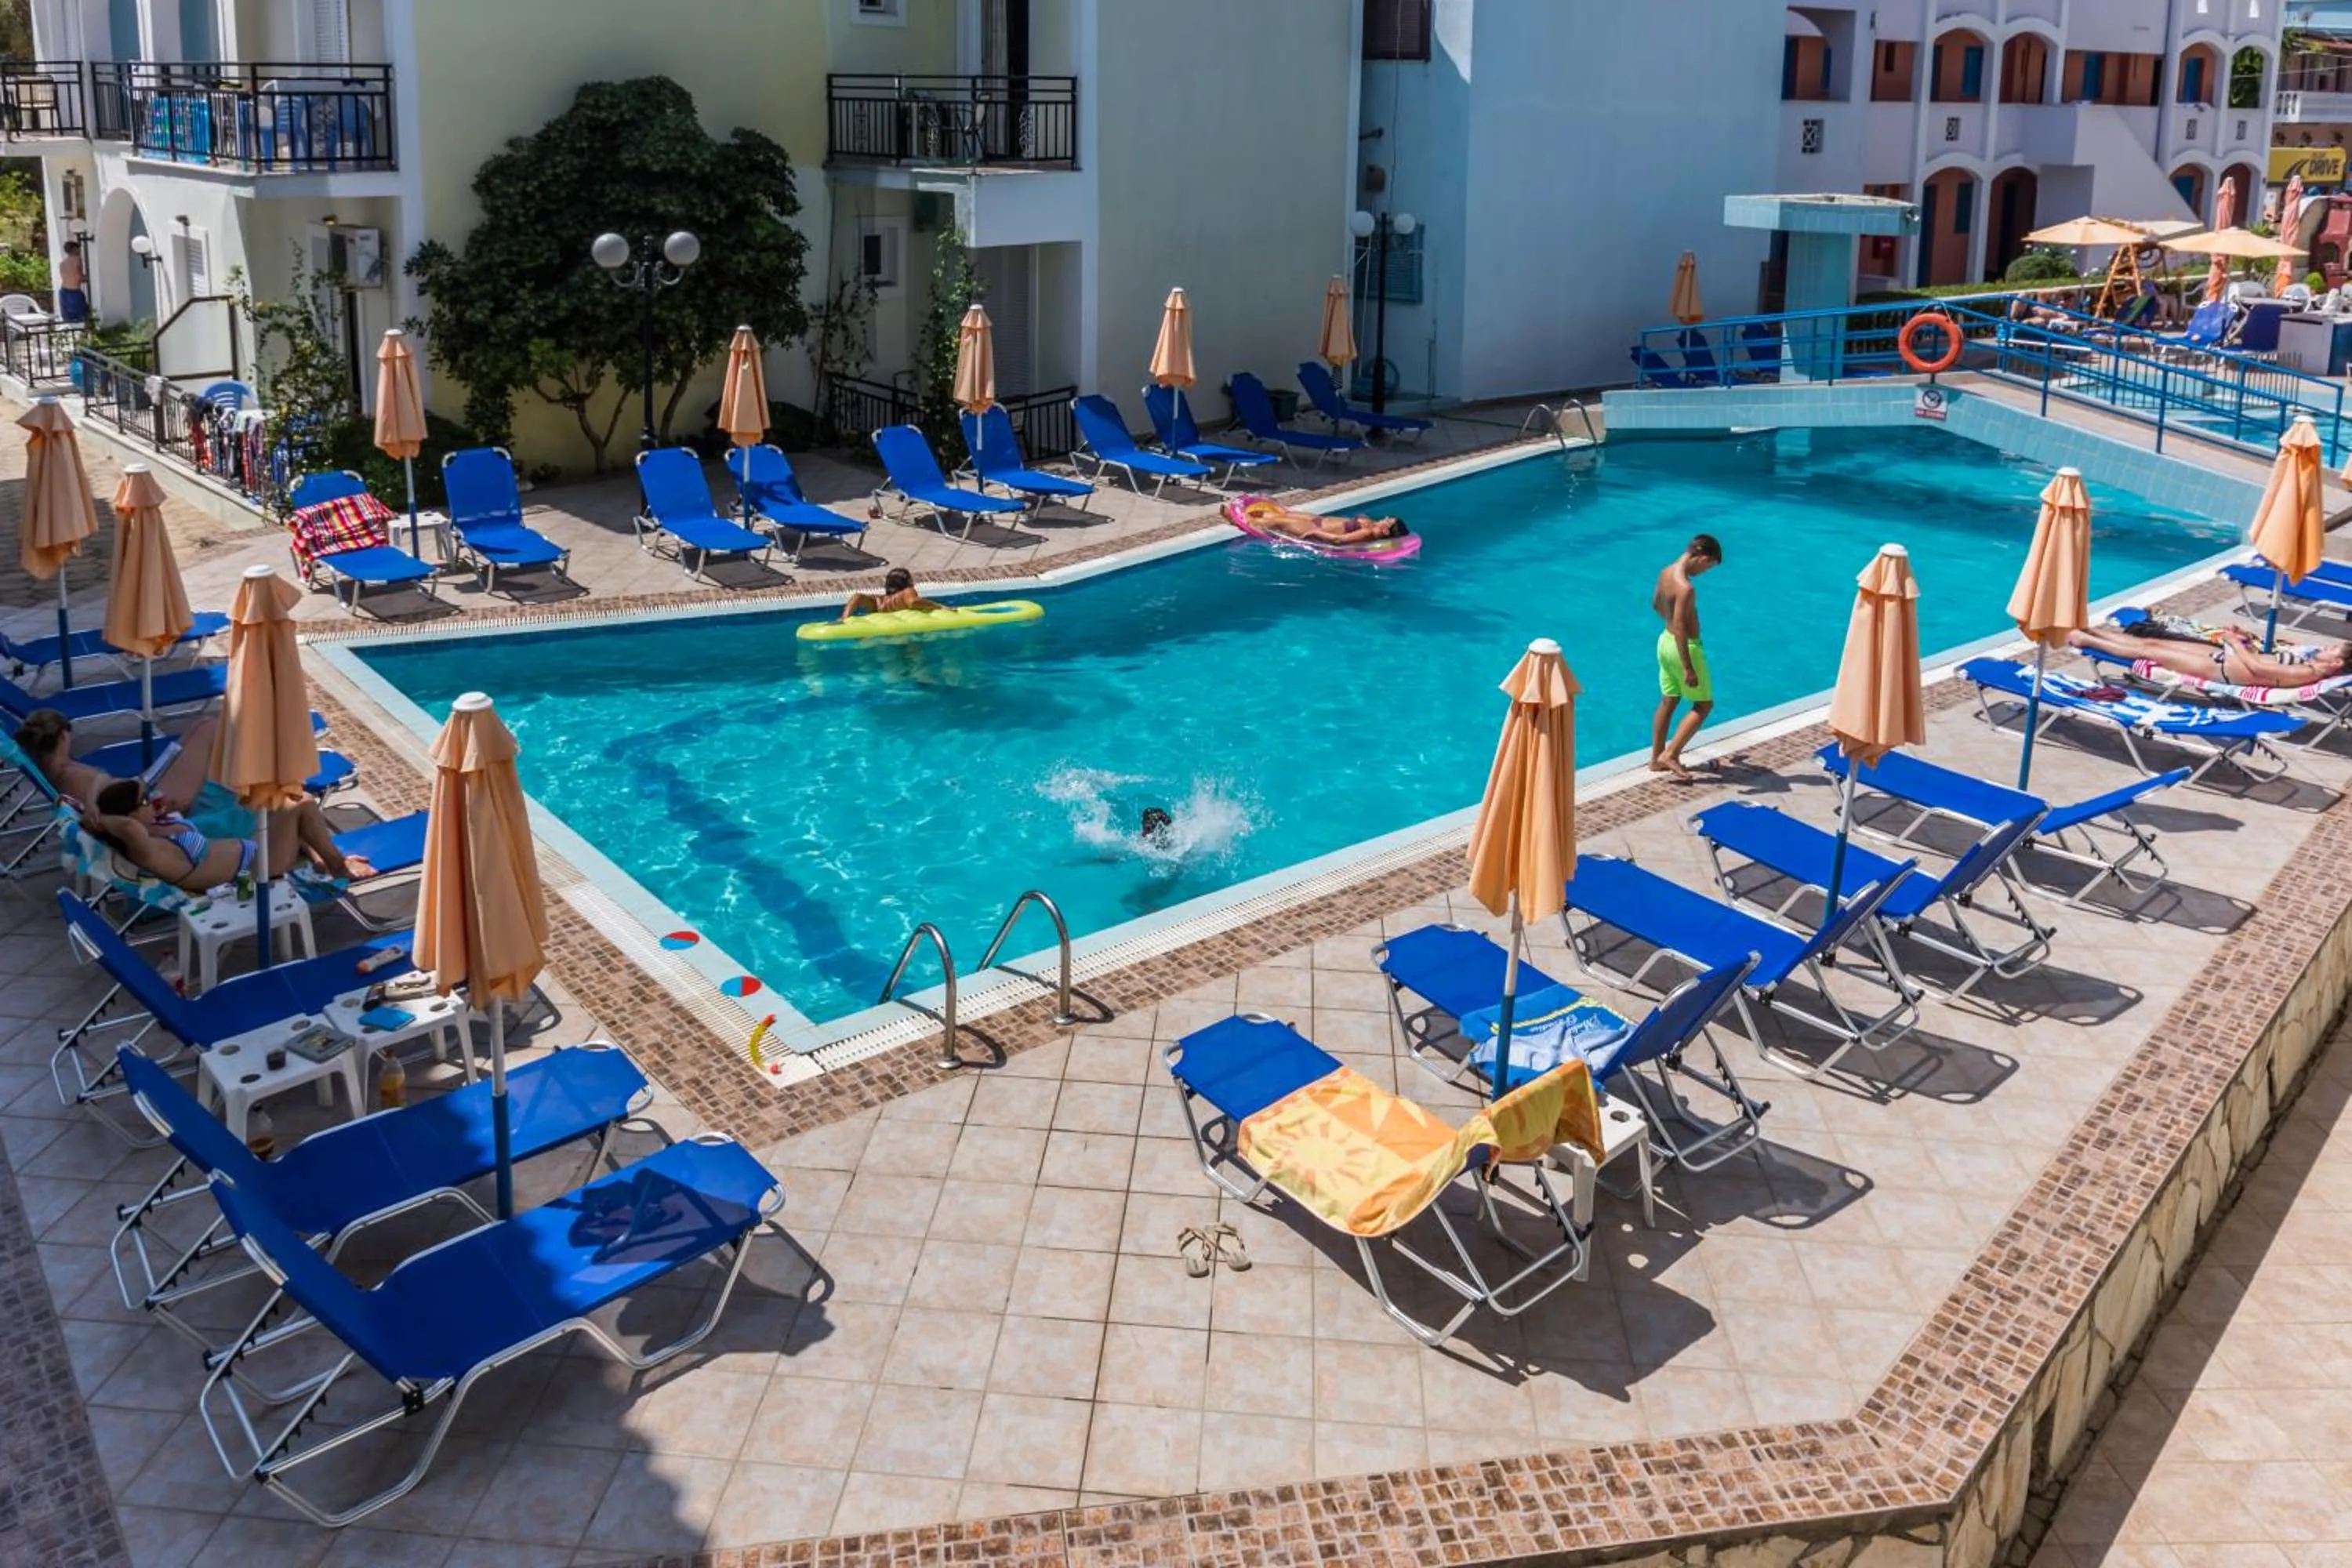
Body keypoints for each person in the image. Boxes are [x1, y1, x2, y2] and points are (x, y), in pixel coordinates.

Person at [80, 778, 369, 892]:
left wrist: (92, 806)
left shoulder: (149, 829)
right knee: (303, 802)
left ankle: (316, 855)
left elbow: (101, 779)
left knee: (279, 800)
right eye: (146, 800)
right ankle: (337, 865)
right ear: (129, 816)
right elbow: (128, 827)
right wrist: (101, 817)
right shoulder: (144, 846)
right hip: (257, 870)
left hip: (255, 852)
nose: (153, 800)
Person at [15, 707, 220, 817]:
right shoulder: (73, 777)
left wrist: (178, 747)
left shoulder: (53, 771)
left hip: (143, 789)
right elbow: (127, 811)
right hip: (155, 802)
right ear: (62, 737)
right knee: (212, 729)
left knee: (201, 726)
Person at [1650, 533, 1723, 782]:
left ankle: (1656, 758)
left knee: (1668, 701)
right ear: (1702, 558)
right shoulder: (1686, 587)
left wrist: (1670, 624)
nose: (1705, 572)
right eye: (1709, 567)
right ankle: (1671, 754)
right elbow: (1681, 626)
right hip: (1685, 648)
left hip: (1664, 642)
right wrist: (1688, 668)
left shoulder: (1665, 572)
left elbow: (1655, 605)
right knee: (1703, 705)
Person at [2067, 626, 2352, 688]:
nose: (2325, 647)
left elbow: (2256, 669)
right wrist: (2245, 641)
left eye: (2332, 650)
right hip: (2227, 657)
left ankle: (2085, 639)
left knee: (2148, 651)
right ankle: (2092, 629)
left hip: (2222, 669)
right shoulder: (2310, 662)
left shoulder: (2308, 674)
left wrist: (2234, 645)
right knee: (2152, 640)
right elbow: (2264, 660)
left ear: (2336, 663)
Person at [1243, 499, 1408, 549]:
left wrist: (1317, 534)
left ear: (1386, 531)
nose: (1384, 518)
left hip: (1316, 528)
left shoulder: (1368, 533)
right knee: (1284, 514)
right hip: (1317, 519)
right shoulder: (1370, 526)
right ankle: (1248, 513)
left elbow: (1338, 541)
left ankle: (1240, 519)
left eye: (1387, 520)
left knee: (1275, 522)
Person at [841, 568, 944, 620]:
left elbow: (857, 596)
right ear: (907, 582)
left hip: (879, 615)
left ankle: (844, 617)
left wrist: (845, 618)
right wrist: (940, 606)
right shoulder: (908, 591)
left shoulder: (879, 601)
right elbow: (913, 602)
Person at [55, 240, 85, 323]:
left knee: (68, 319)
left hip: (64, 291)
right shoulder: (77, 260)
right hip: (74, 292)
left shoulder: (62, 263)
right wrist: (85, 278)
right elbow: (79, 276)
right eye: (78, 249)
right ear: (74, 249)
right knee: (80, 318)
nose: (80, 251)